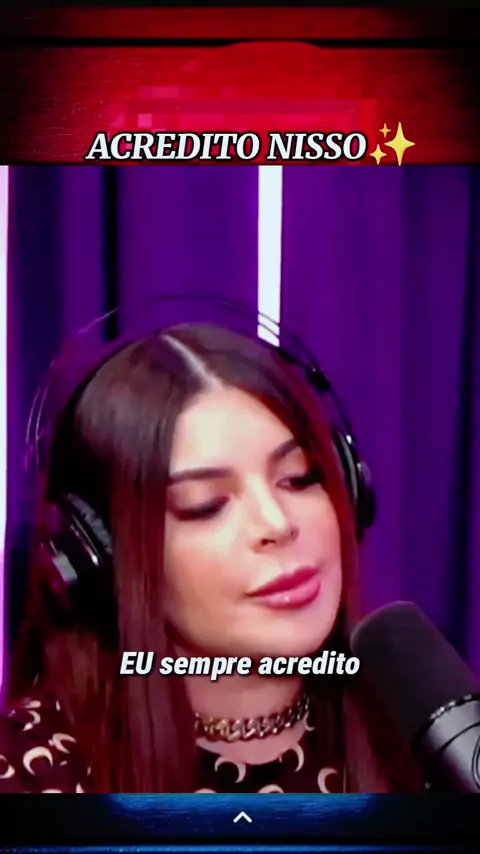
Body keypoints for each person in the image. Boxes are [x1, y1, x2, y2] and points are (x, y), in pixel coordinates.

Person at [0, 322, 422, 794]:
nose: (276, 524)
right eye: (206, 505)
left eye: (300, 477)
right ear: (99, 556)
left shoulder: (426, 737)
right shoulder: (28, 775)